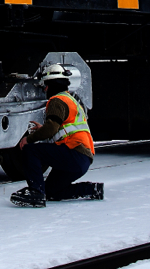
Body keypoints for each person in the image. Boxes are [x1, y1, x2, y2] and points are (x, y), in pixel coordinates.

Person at [10, 64, 104, 208]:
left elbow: (51, 129)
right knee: (52, 192)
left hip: (74, 152)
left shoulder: (56, 100)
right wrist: (44, 128)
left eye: (46, 85)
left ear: (52, 84)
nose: (45, 89)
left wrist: (28, 139)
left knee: (31, 150)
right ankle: (91, 189)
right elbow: (63, 129)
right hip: (83, 159)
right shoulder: (71, 100)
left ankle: (36, 192)